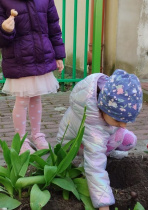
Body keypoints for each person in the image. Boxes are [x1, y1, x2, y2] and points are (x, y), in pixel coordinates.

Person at [57, 69, 143, 209]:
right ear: (104, 108)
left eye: (127, 121)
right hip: (75, 146)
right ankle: (84, 164)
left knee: (129, 140)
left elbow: (115, 124)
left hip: (101, 132)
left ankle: (107, 150)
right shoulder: (92, 127)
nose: (123, 125)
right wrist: (104, 204)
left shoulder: (105, 102)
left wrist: (115, 124)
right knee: (95, 157)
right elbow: (95, 168)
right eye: (118, 120)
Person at [0, 0, 66, 154]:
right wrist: (3, 28)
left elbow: (54, 27)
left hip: (41, 56)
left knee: (36, 97)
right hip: (19, 59)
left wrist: (58, 55)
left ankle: (37, 135)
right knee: (22, 99)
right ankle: (21, 140)